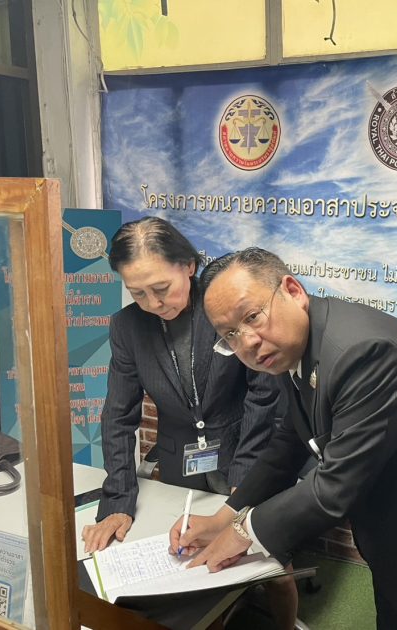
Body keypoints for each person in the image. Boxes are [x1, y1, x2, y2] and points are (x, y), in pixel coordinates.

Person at [169, 247, 397, 630]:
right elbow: (290, 441)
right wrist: (226, 515)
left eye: (252, 317)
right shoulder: (294, 346)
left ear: (293, 291)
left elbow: (334, 486)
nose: (247, 342)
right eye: (230, 334)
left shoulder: (363, 353)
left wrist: (244, 531)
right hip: (395, 531)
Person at [80, 218, 297, 628]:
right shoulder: (127, 327)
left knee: (273, 567)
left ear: (189, 266)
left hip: (245, 449)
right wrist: (118, 501)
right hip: (181, 461)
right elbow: (118, 414)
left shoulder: (221, 307)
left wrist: (245, 478)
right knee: (190, 563)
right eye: (138, 293)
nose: (152, 302)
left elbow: (264, 393)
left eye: (161, 288)